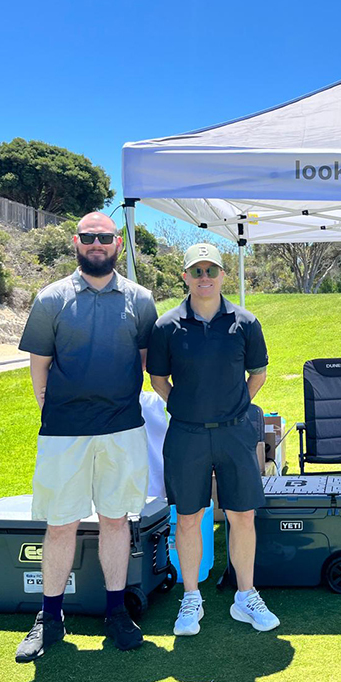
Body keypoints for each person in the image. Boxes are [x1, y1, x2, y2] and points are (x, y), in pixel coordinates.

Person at [15, 212, 159, 662]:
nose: (97, 244)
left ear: (117, 243)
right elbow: (40, 363)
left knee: (116, 520)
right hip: (64, 434)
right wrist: (52, 408)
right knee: (60, 524)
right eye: (89, 237)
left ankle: (117, 613)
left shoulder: (141, 299)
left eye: (105, 237)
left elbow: (143, 360)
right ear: (76, 242)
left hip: (122, 429)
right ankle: (49, 618)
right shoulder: (50, 298)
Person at [147, 243, 279, 636]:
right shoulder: (166, 326)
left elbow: (258, 374)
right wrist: (188, 407)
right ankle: (191, 598)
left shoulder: (246, 322)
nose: (205, 277)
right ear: (185, 276)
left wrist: (233, 408)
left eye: (211, 270)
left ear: (224, 275)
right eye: (197, 270)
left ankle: (245, 595)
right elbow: (157, 380)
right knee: (187, 518)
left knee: (242, 516)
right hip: (186, 436)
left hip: (235, 434)